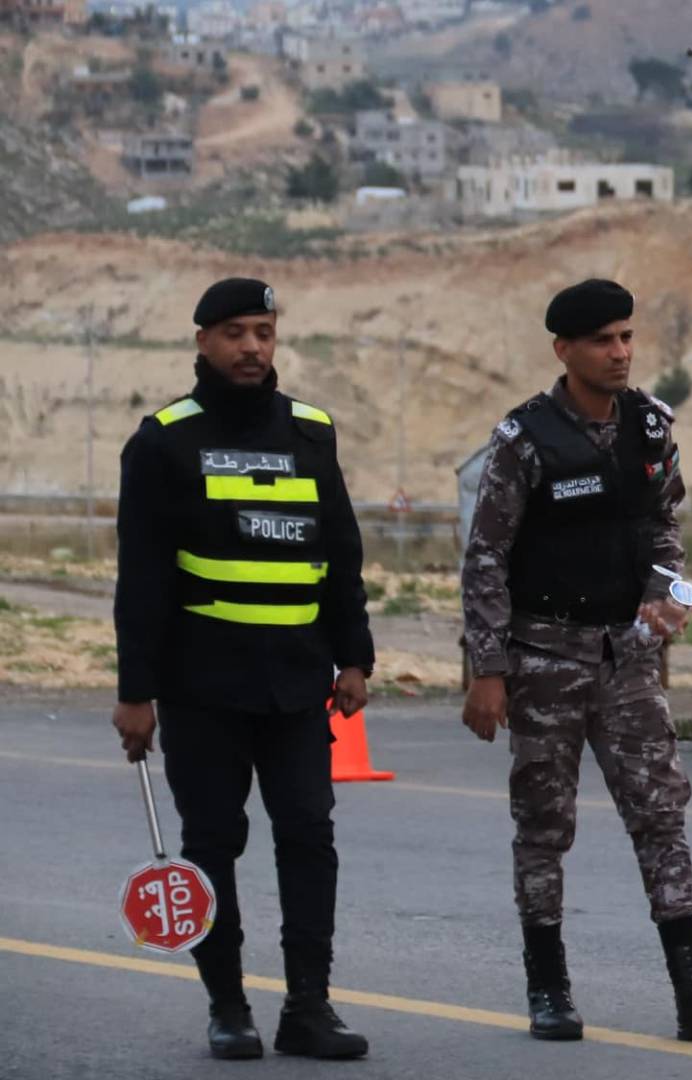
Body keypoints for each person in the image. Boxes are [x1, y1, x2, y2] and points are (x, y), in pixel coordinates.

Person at [459, 278, 692, 1043]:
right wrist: (487, 671)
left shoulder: (651, 427)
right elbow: (486, 560)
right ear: (565, 350)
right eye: (603, 340)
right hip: (543, 658)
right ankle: (549, 988)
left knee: (661, 814)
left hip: (626, 659)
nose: (620, 352)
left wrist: (672, 596)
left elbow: (664, 535)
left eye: (627, 336)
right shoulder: (524, 442)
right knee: (543, 825)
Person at [110, 277, 374, 1061]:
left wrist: (354, 655)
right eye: (234, 332)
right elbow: (144, 579)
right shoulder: (161, 440)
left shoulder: (313, 432)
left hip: (298, 686)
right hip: (203, 689)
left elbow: (342, 555)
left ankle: (309, 1008)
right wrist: (136, 693)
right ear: (202, 343)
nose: (252, 347)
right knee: (214, 841)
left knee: (308, 836)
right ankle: (228, 1006)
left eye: (262, 331)